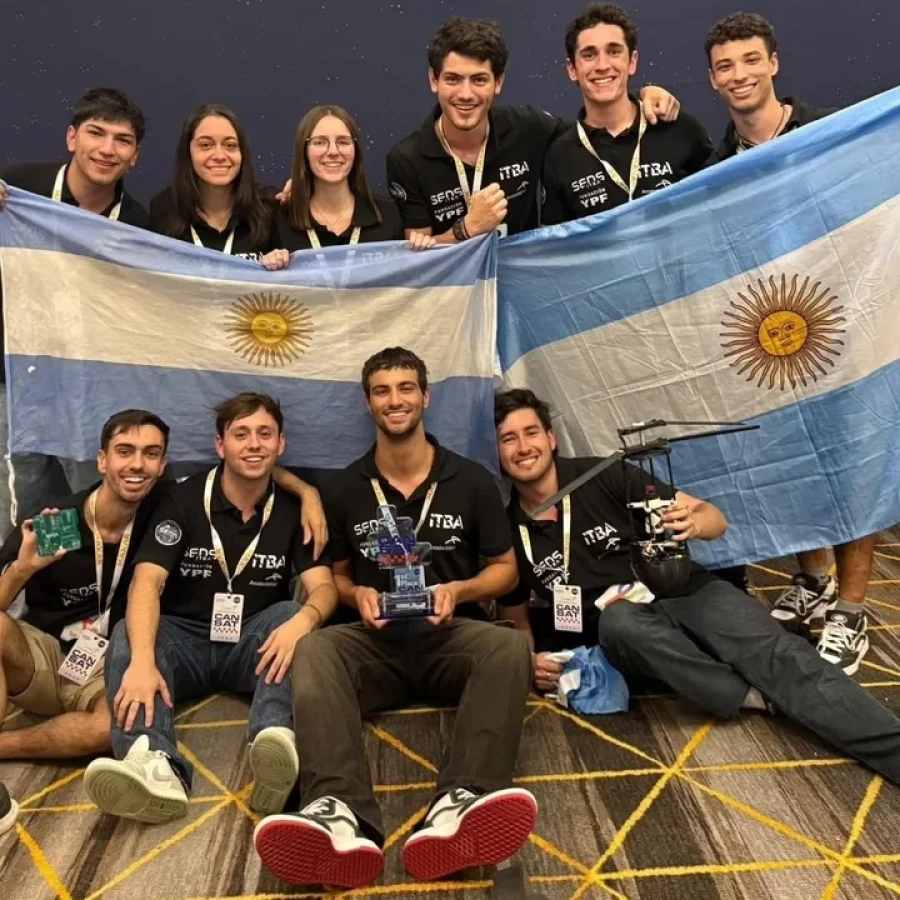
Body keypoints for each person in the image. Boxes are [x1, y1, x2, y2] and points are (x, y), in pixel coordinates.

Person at [493, 388, 900, 785]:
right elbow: (516, 620)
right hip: (630, 632)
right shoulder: (505, 528)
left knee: (783, 655)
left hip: (685, 590)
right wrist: (529, 661)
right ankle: (753, 695)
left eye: (531, 433)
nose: (523, 447)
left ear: (550, 438)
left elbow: (713, 516)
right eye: (508, 439)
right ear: (498, 453)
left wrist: (694, 524)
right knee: (620, 622)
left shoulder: (602, 474)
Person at [253, 348, 535, 889]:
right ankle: (338, 812)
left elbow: (504, 571)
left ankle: (462, 802)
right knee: (315, 648)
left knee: (507, 648)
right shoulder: (345, 488)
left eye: (406, 388)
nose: (395, 400)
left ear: (425, 397)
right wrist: (355, 592)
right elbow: (331, 577)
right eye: (382, 391)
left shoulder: (470, 480)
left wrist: (460, 588)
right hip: (374, 640)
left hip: (447, 636)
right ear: (368, 403)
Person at [705, 12, 872, 672]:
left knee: (852, 468)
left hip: (841, 331)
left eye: (751, 60)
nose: (740, 75)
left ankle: (853, 609)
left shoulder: (834, 138)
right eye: (725, 65)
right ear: (713, 80)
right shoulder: (718, 167)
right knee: (794, 463)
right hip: (768, 340)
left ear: (773, 63)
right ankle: (812, 581)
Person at [83, 393, 339, 824]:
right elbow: (147, 581)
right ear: (221, 446)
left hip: (252, 646)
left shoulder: (295, 508)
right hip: (183, 642)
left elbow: (324, 588)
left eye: (265, 434)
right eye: (241, 435)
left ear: (282, 445)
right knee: (134, 628)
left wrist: (306, 618)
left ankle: (275, 741)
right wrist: (143, 662)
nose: (253, 444)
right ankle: (153, 765)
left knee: (290, 618)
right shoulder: (182, 500)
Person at [0, 88, 150, 538]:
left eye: (122, 140)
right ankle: (13, 599)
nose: (107, 149)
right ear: (71, 137)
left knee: (68, 511)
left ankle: (53, 604)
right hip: (13, 385)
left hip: (86, 393)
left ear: (135, 156)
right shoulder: (16, 189)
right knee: (17, 505)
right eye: (96, 133)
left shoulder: (140, 226)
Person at [385, 17, 682, 243]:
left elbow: (595, 130)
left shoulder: (529, 128)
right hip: (454, 302)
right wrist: (467, 229)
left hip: (524, 299)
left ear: (498, 83)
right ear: (433, 80)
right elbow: (418, 258)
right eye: (452, 79)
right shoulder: (407, 159)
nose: (465, 94)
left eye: (479, 80)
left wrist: (644, 94)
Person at [0, 410, 169, 763]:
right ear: (102, 461)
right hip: (43, 656)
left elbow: (241, 470)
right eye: (125, 451)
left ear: (163, 465)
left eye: (150, 454)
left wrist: (306, 492)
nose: (137, 464)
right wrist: (21, 569)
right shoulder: (61, 524)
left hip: (106, 668)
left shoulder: (166, 515)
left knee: (114, 728)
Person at [540, 4, 713, 225]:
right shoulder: (560, 156)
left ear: (632, 62)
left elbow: (719, 208)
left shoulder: (680, 130)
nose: (602, 65)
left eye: (614, 51)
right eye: (589, 55)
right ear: (572, 69)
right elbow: (557, 250)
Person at [266, 106, 432, 265]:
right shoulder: (281, 220)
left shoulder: (387, 216)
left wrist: (420, 254)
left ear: (355, 150)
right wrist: (268, 264)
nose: (333, 151)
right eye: (320, 142)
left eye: (343, 142)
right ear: (304, 151)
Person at [148, 103, 280, 263]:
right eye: (206, 145)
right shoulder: (163, 209)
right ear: (188, 152)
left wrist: (280, 261)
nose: (219, 155)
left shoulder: (268, 207)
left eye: (230, 145)